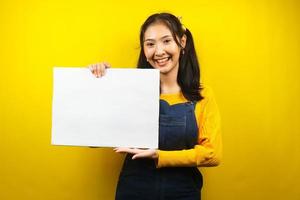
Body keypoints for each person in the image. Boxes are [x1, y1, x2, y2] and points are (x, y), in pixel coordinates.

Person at [88, 12, 222, 200]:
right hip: (134, 190)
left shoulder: (202, 95)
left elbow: (213, 154)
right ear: (144, 49)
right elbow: (93, 140)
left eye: (166, 41)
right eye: (150, 44)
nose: (158, 51)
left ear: (182, 42)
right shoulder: (129, 91)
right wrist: (99, 85)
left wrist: (160, 156)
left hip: (183, 192)